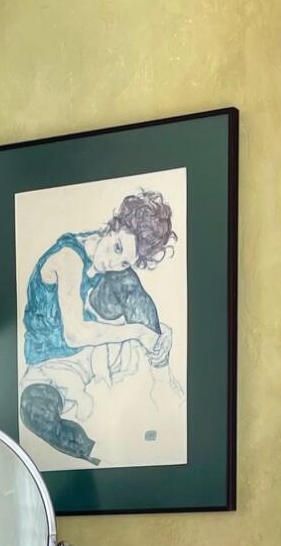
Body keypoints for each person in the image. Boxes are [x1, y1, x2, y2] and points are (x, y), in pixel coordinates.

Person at [20, 190, 177, 463]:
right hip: (50, 362)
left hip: (93, 350)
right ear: (112, 226)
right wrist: (139, 332)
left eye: (125, 259)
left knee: (125, 281)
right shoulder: (69, 257)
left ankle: (162, 378)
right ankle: (102, 456)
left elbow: (111, 301)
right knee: (34, 410)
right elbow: (75, 333)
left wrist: (153, 333)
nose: (112, 263)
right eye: (116, 248)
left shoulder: (112, 267)